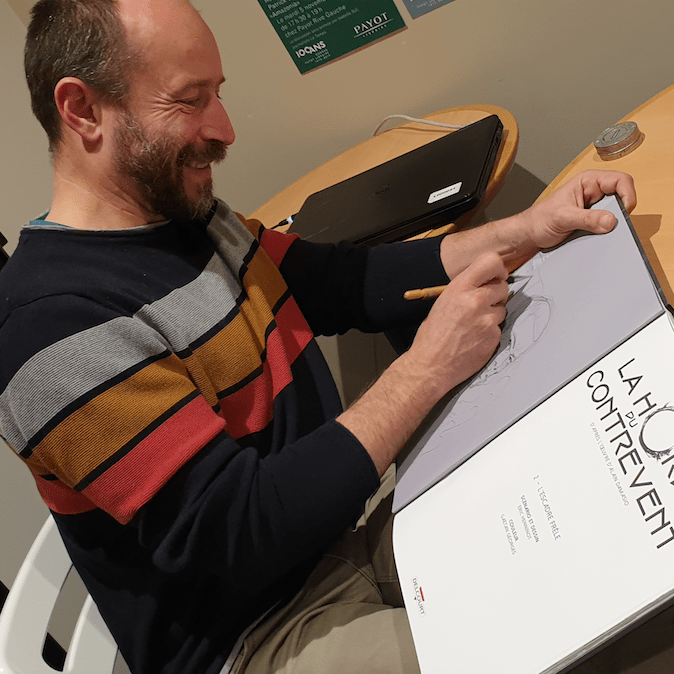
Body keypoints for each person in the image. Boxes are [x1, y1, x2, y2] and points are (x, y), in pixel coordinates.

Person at [0, 1, 641, 673]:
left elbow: (346, 281)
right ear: (82, 110)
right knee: (541, 641)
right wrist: (425, 368)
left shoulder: (194, 220)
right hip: (254, 638)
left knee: (600, 557)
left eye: (218, 94)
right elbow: (245, 532)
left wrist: (527, 230)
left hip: (336, 539)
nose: (224, 130)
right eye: (189, 100)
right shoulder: (50, 332)